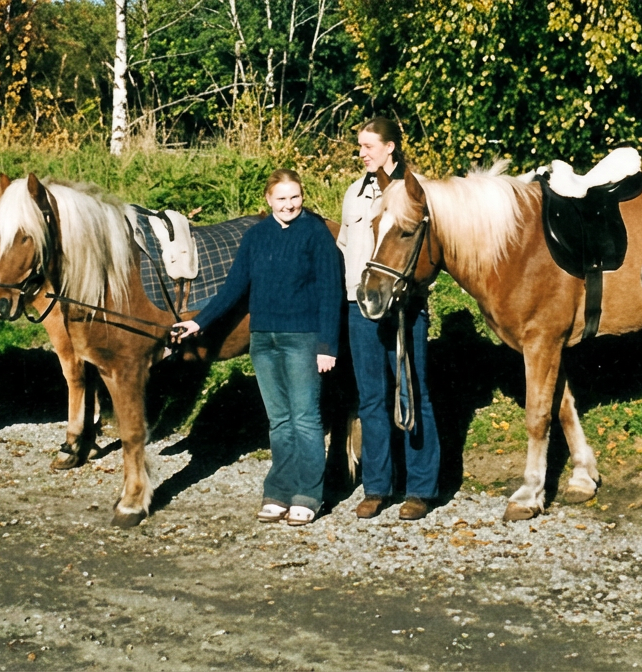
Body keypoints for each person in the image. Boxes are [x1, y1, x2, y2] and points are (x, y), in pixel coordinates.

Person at [173, 169, 343, 527]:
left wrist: (327, 345)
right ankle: (279, 491)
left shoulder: (316, 234)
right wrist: (199, 322)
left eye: (295, 197)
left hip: (302, 338)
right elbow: (234, 286)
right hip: (263, 340)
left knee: (305, 418)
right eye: (282, 198)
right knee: (279, 420)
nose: (289, 205)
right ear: (268, 199)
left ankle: (308, 495)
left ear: (302, 196)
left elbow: (331, 291)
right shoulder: (255, 236)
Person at [339, 117, 442, 521]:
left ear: (390, 147)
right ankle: (377, 486)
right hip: (359, 305)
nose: (361, 152)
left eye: (368, 146)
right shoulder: (354, 193)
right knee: (371, 398)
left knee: (414, 395)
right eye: (360, 146)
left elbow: (428, 249)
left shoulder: (415, 191)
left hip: (403, 308)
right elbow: (346, 246)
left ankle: (420, 488)